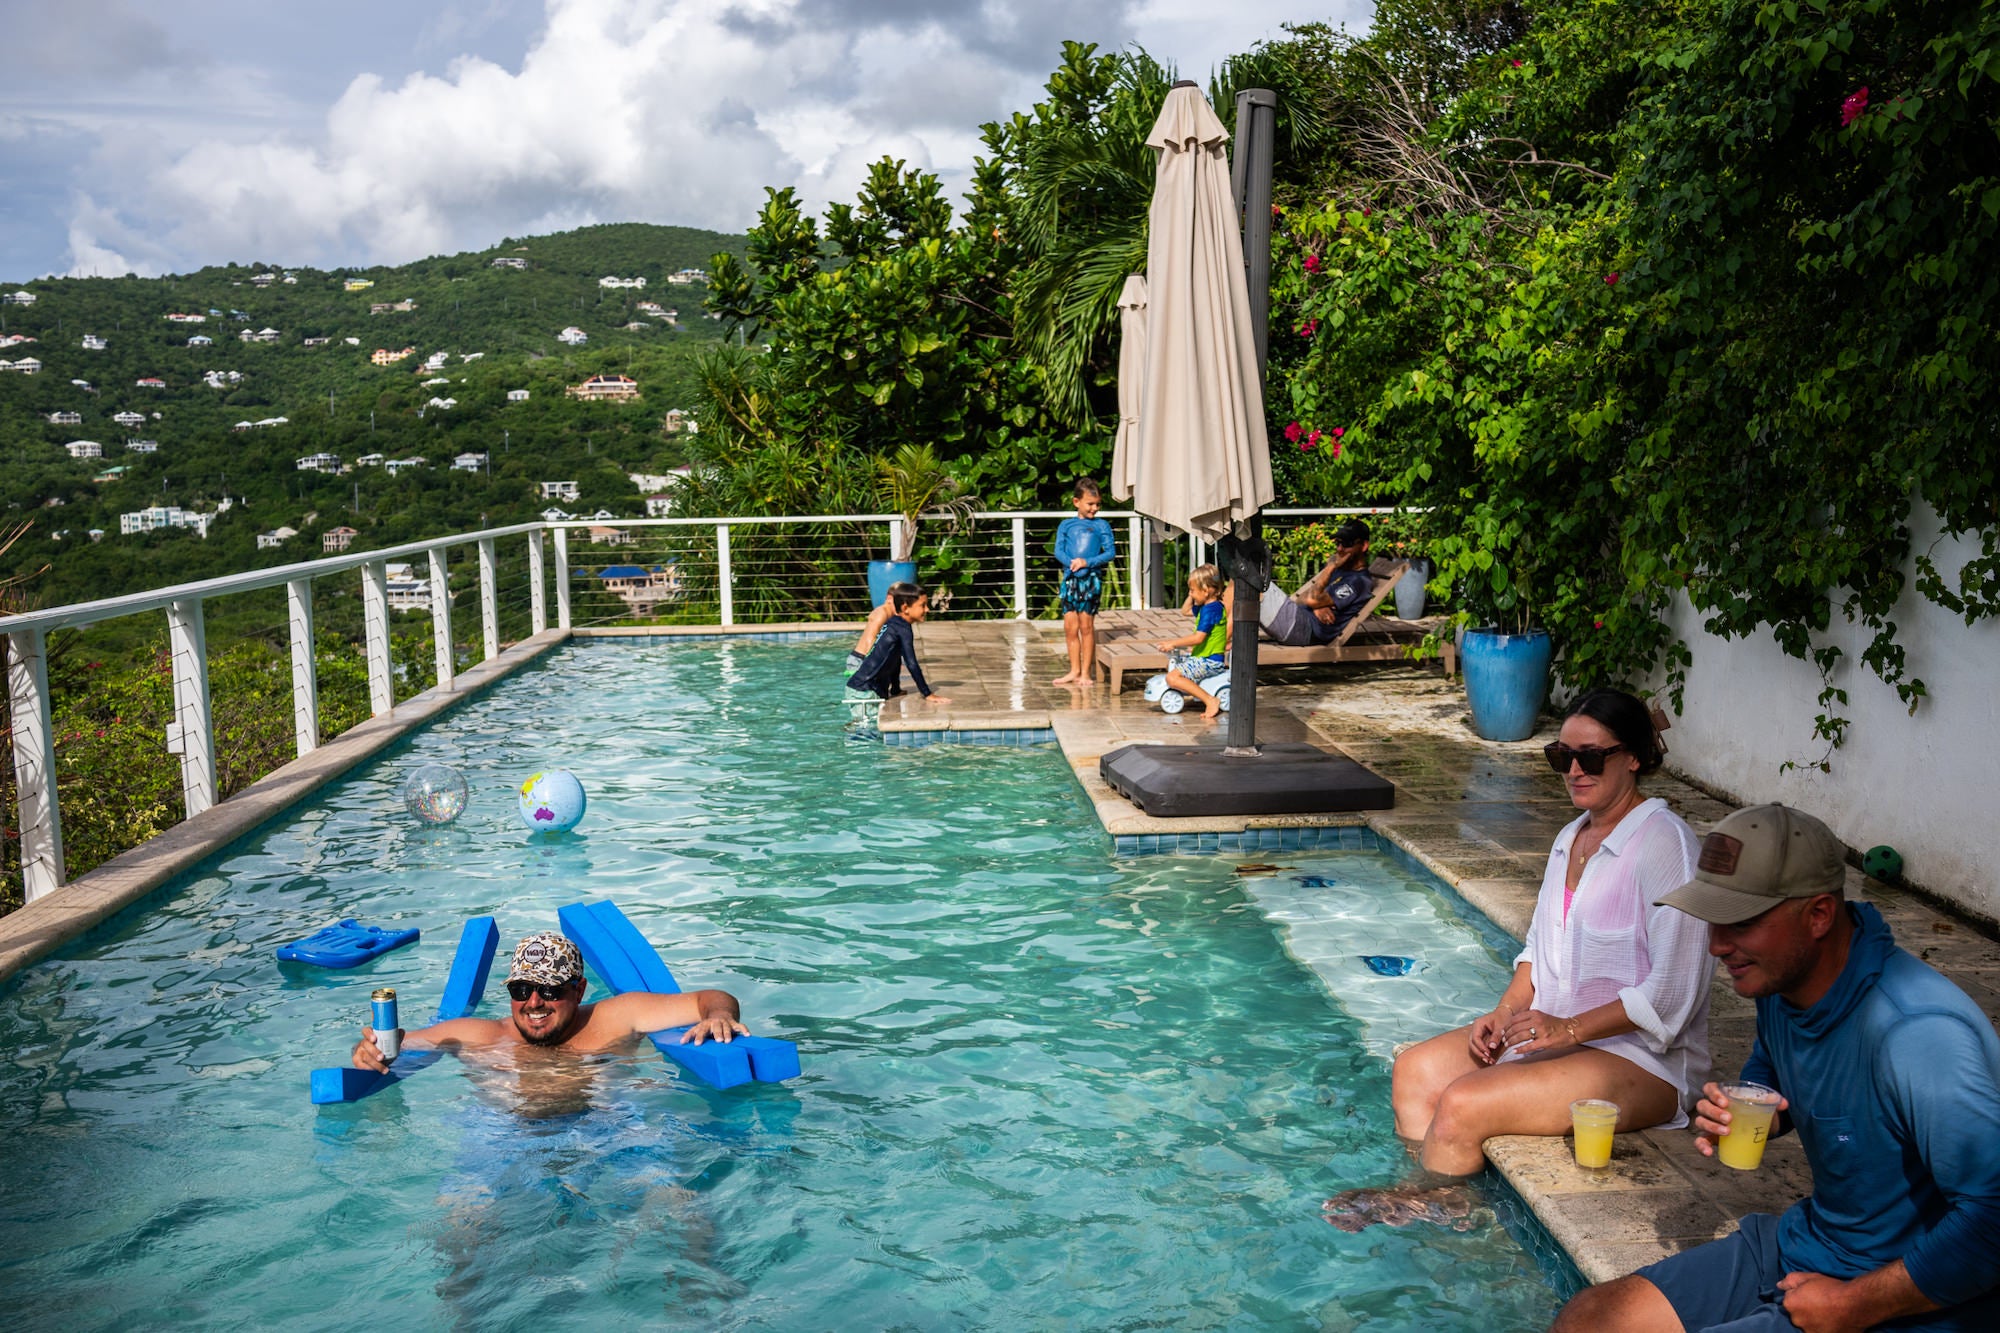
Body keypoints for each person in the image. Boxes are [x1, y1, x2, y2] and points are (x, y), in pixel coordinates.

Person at [1551, 804, 2000, 1333]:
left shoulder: (1919, 1035)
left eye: (1741, 922)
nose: (1718, 946)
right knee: (1589, 1319)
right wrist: (1754, 1108)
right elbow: (1774, 1072)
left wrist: (1853, 1305)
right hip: (1814, 1244)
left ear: (1818, 916)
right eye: (1713, 920)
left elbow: (1993, 1217)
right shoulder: (1783, 983)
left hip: (1909, 1296)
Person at [1326, 689, 1711, 1231]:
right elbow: (1538, 951)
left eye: (1592, 757)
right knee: (1415, 1069)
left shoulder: (1666, 846)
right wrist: (1504, 1013)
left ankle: (1430, 1201)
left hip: (1641, 1059)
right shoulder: (1570, 838)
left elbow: (1670, 994)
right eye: (1562, 756)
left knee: (1464, 1102)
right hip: (1556, 1037)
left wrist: (1571, 1028)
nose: (1574, 770)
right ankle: (1440, 1192)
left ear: (1636, 757)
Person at [350, 932, 749, 1072]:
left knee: (673, 1197)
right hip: (507, 1140)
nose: (534, 1002)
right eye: (521, 990)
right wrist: (370, 1052)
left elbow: (711, 998)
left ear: (578, 990)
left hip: (610, 1130)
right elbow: (400, 1046)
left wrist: (718, 1017)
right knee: (462, 1212)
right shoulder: (479, 1036)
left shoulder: (616, 1017)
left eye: (551, 990)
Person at [1256, 517, 1377, 648]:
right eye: (1338, 543)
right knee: (1246, 582)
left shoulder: (1358, 582)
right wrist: (1316, 607)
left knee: (1249, 583)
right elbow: (1302, 598)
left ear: (1364, 546)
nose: (1340, 549)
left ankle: (1229, 643)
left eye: (1347, 544)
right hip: (1297, 621)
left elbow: (1311, 599)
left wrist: (1330, 567)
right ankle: (1229, 643)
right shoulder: (1341, 571)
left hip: (1303, 629)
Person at [844, 584, 949, 721]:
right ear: (905, 608)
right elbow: (911, 664)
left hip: (863, 689)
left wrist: (895, 689)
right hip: (864, 691)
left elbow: (895, 658)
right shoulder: (902, 629)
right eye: (922, 605)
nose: (927, 609)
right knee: (865, 733)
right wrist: (927, 694)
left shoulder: (894, 623)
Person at [1051, 478, 1117, 685]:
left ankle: (1086, 674)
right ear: (1076, 502)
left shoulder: (1101, 525)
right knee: (1070, 627)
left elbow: (1110, 552)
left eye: (1097, 504)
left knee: (1086, 627)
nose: (1094, 508)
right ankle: (1074, 671)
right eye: (1090, 504)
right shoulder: (1066, 525)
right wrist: (1071, 563)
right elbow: (1058, 550)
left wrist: (1086, 562)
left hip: (1090, 579)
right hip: (1071, 578)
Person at [1155, 563, 1229, 719]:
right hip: (1203, 657)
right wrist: (1193, 593)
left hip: (1209, 660)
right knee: (1173, 665)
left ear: (1206, 590)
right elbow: (1185, 611)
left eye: (1193, 591)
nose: (1191, 594)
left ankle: (1210, 700)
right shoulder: (1207, 606)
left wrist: (1172, 643)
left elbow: (1198, 638)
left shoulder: (1211, 610)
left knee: (1172, 677)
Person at [847, 581, 919, 696]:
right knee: (866, 695)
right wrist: (871, 662)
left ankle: (895, 689)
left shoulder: (893, 617)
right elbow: (872, 638)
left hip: (864, 658)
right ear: (889, 598)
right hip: (861, 658)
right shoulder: (883, 613)